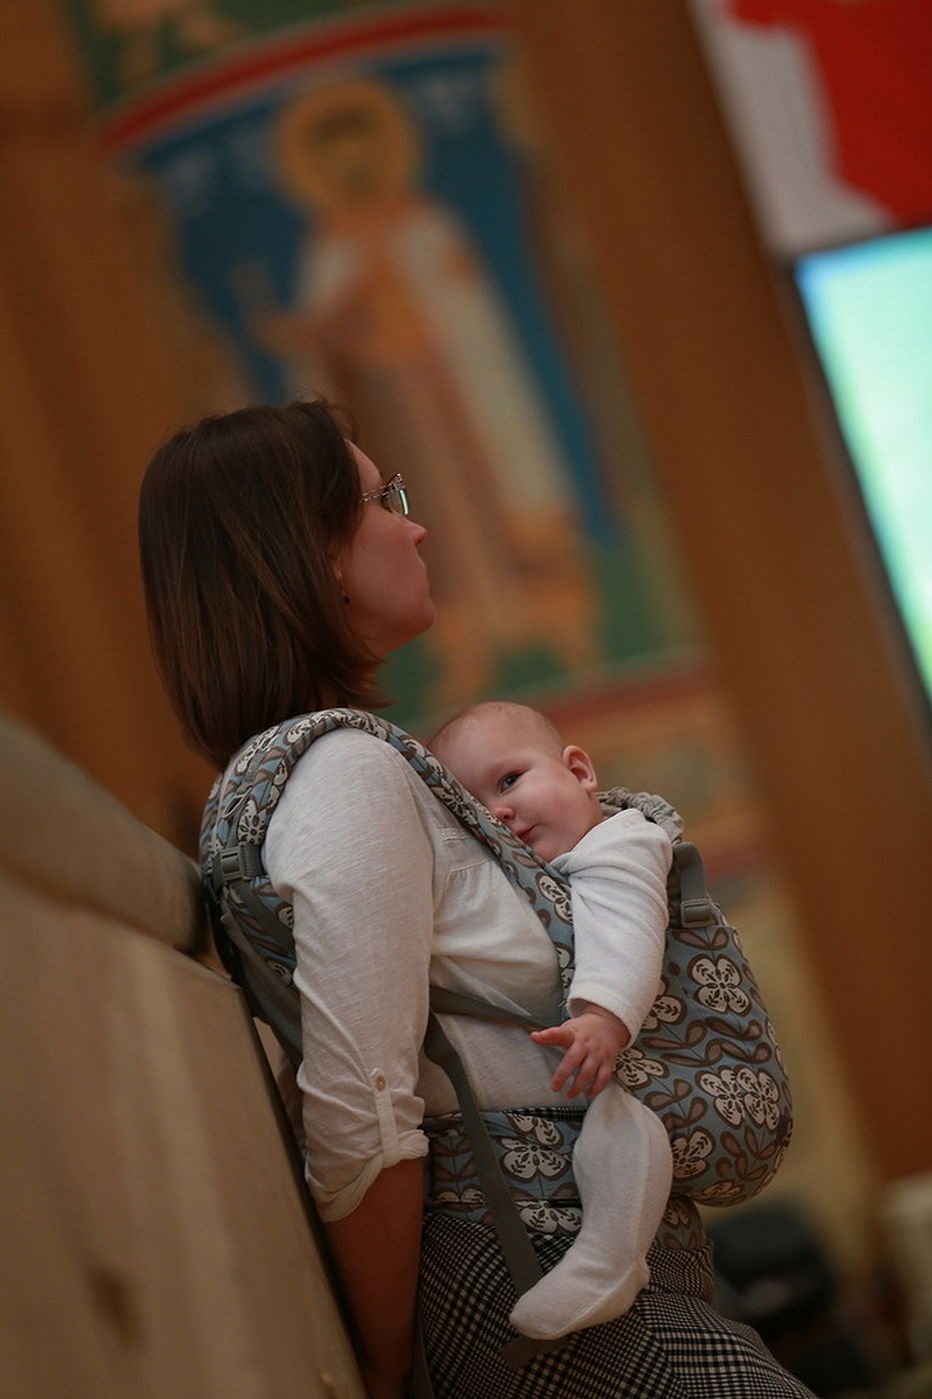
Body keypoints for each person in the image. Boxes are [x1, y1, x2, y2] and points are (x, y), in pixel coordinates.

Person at [138, 398, 814, 1399]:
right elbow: (362, 1114)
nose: (413, 528)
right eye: (382, 500)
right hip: (526, 1269)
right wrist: (383, 1366)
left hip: (554, 1265)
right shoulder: (342, 776)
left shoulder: (323, 771)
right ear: (316, 551)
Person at [429, 699, 673, 1339]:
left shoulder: (622, 842)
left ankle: (612, 1261)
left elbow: (626, 930)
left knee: (624, 1127)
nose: (499, 813)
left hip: (635, 1050)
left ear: (580, 771)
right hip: (597, 1060)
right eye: (474, 811)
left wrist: (603, 1018)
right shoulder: (549, 866)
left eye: (509, 780)